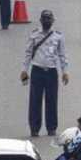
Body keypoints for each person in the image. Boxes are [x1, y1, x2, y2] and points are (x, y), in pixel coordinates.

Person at [21, 9, 70, 137]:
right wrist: (24, 70)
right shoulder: (34, 35)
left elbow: (62, 55)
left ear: (52, 21)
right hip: (37, 70)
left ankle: (51, 127)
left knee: (52, 100)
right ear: (40, 21)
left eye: (49, 19)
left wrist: (65, 72)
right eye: (45, 19)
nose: (47, 21)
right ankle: (34, 128)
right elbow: (28, 53)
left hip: (52, 72)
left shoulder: (58, 36)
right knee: (35, 100)